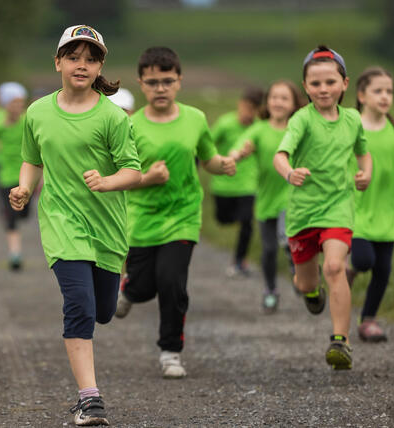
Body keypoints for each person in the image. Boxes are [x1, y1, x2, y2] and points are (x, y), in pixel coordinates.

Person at [9, 25, 141, 426]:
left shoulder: (112, 117)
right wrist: (25, 188)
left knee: (102, 310)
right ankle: (90, 399)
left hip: (107, 227)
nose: (81, 65)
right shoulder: (38, 112)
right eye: (73, 57)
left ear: (100, 65)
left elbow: (133, 172)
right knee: (79, 305)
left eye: (90, 58)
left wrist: (106, 182)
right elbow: (32, 158)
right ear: (58, 62)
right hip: (62, 222)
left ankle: (112, 291)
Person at [114, 47, 236, 379]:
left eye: (167, 81)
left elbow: (207, 156)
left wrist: (221, 165)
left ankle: (171, 352)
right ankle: (128, 290)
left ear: (179, 81)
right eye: (152, 82)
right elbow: (121, 179)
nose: (160, 88)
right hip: (142, 217)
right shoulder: (130, 126)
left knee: (171, 282)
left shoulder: (195, 118)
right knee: (144, 286)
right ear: (141, 83)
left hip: (183, 215)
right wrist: (148, 178)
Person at [273, 46, 372, 370]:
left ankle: (340, 342)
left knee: (334, 267)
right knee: (305, 284)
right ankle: (311, 292)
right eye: (315, 84)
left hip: (338, 207)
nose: (323, 89)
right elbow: (280, 155)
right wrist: (289, 172)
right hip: (303, 214)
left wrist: (365, 173)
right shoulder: (302, 119)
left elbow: (363, 152)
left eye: (330, 82)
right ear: (305, 87)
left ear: (344, 83)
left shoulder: (353, 119)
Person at [347, 67, 394, 342]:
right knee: (364, 260)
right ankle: (348, 269)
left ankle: (368, 321)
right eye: (378, 91)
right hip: (357, 210)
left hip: (387, 214)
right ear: (362, 95)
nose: (385, 96)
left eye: (389, 91)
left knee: (383, 271)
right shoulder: (353, 128)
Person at [230, 80, 304, 313]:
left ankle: (300, 273)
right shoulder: (259, 128)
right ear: (267, 102)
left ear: (294, 104)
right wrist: (237, 155)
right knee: (269, 250)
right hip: (265, 199)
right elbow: (239, 147)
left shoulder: (298, 128)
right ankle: (271, 290)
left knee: (286, 236)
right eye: (273, 97)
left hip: (292, 195)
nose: (278, 102)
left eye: (284, 98)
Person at [209, 87, 264, 277]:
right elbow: (206, 145)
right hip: (223, 184)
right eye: (244, 106)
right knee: (223, 219)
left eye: (251, 109)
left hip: (248, 185)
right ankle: (234, 221)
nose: (246, 112)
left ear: (258, 109)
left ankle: (239, 261)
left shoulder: (259, 127)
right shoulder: (225, 123)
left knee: (246, 222)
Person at [0, 82, 29, 270]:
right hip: (5, 175)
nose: (17, 106)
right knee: (11, 216)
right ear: (6, 105)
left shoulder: (27, 122)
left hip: (25, 175)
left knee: (25, 213)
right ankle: (15, 254)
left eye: (20, 103)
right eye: (14, 103)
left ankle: (16, 248)